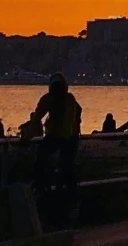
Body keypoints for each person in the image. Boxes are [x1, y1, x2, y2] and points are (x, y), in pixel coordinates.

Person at [28, 72, 83, 224]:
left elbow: (69, 120)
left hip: (70, 135)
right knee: (40, 159)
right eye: (54, 87)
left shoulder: (69, 100)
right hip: (53, 133)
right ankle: (40, 186)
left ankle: (73, 200)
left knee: (67, 165)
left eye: (59, 87)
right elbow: (37, 117)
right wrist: (26, 136)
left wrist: (64, 137)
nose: (57, 90)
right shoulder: (47, 99)